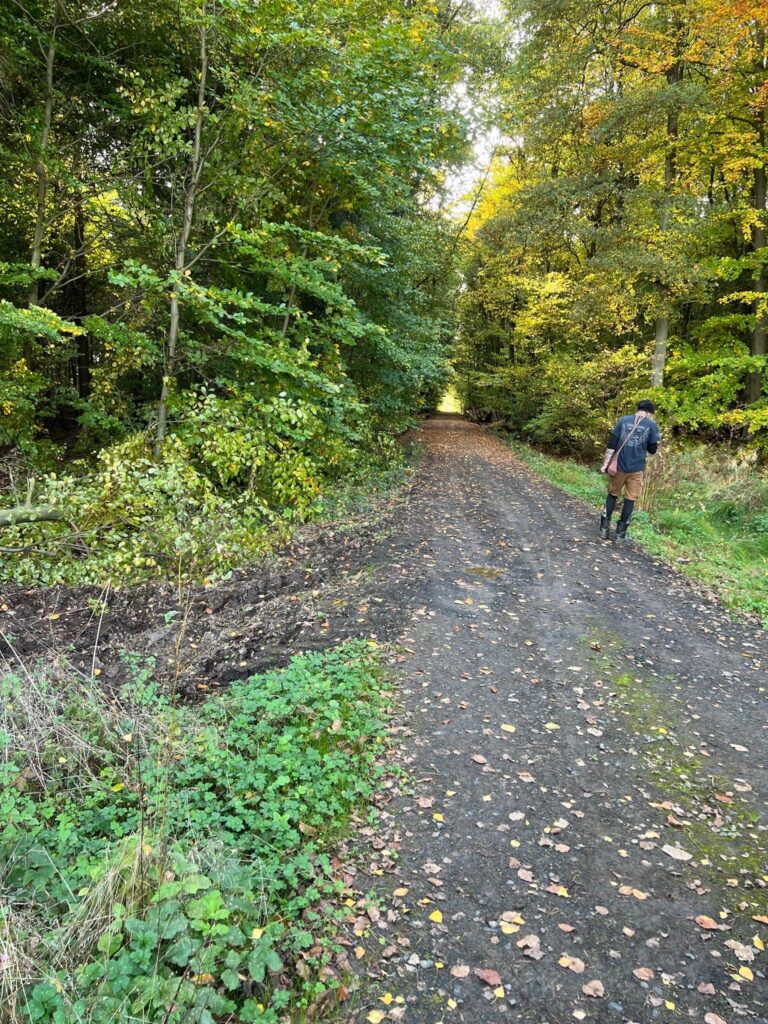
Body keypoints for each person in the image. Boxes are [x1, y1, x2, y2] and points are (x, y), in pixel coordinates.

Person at [599, 399, 660, 544]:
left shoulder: (623, 420)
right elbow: (652, 450)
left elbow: (612, 444)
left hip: (618, 466)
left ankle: (604, 529)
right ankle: (620, 535)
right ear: (649, 413)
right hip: (636, 468)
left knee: (612, 495)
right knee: (630, 499)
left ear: (638, 409)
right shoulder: (651, 425)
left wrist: (605, 464)